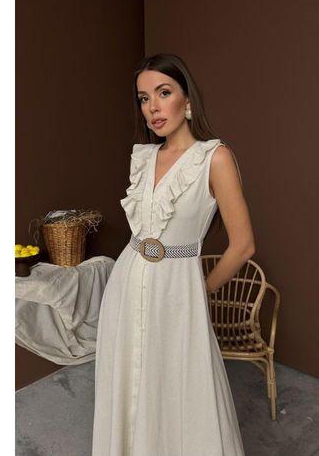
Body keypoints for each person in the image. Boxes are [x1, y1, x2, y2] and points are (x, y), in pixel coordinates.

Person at [92, 53, 255, 455]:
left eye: (164, 93)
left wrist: (201, 288)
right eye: (144, 98)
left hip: (177, 292)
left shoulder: (214, 158)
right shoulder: (144, 158)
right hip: (126, 284)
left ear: (188, 100)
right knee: (131, 385)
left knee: (178, 392)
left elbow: (243, 246)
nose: (153, 107)